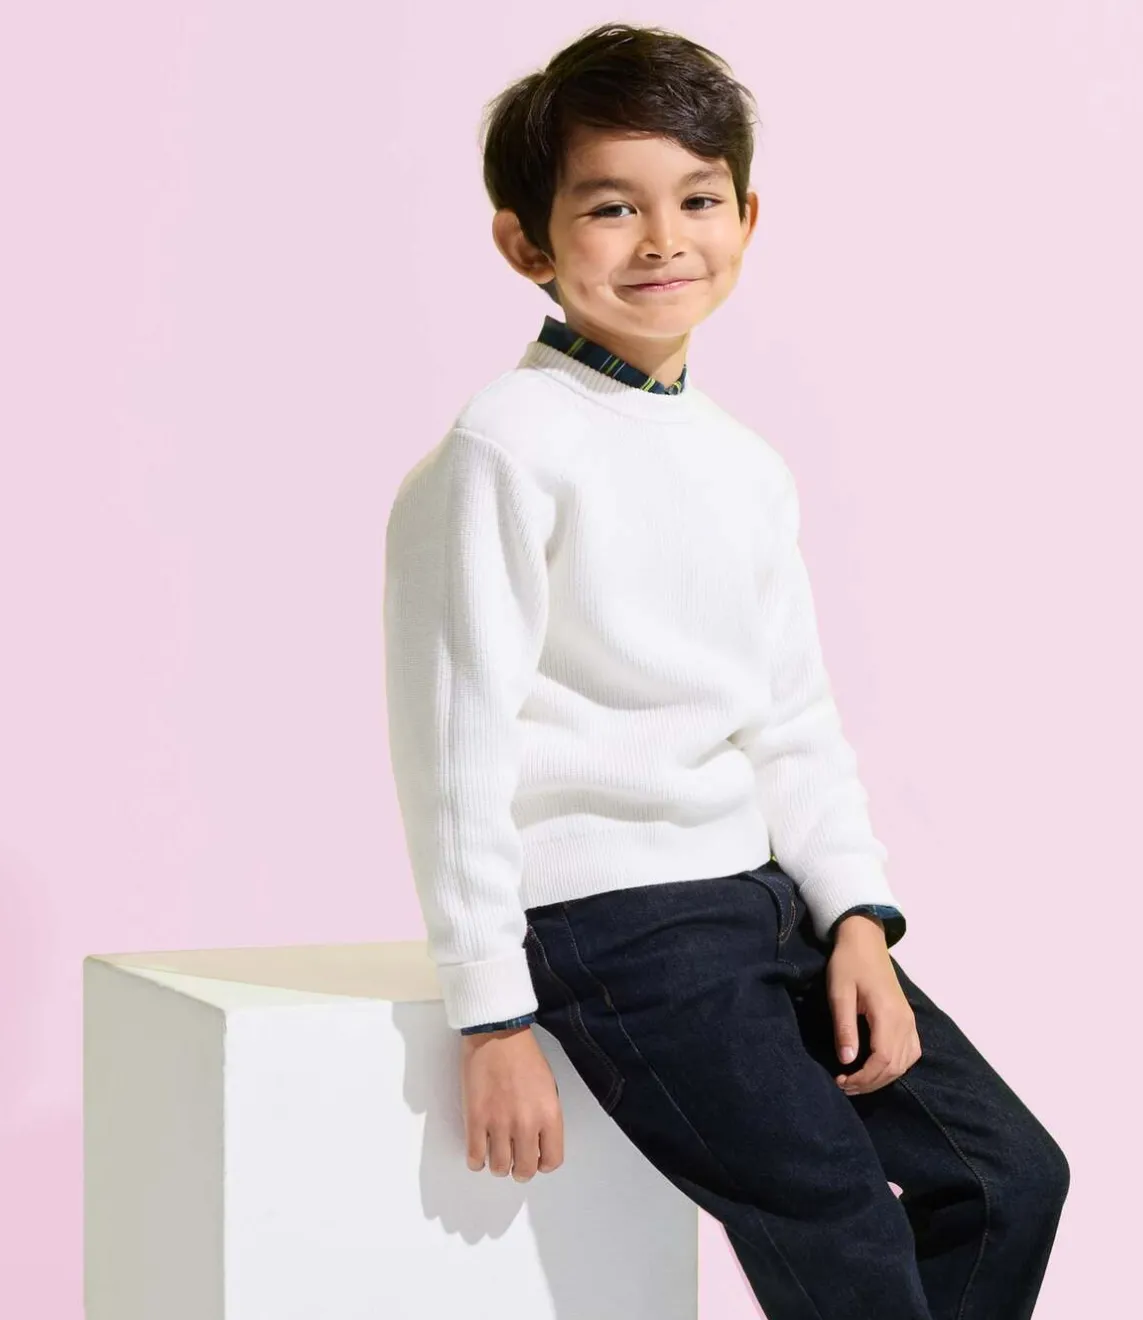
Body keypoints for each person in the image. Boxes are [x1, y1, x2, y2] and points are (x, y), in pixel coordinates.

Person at [383, 23, 1069, 1319]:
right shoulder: (502, 450)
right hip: (615, 922)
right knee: (837, 1223)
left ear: (747, 219)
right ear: (526, 243)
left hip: (766, 901)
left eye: (698, 200)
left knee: (1008, 1178)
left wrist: (856, 921)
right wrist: (492, 1017)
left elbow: (792, 721)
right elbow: (453, 750)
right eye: (610, 208)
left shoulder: (742, 463)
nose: (662, 241)